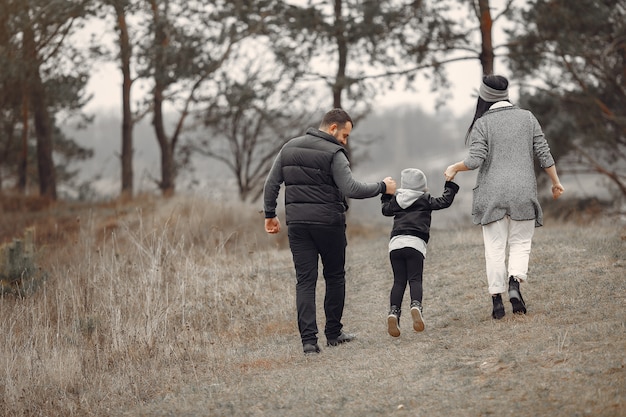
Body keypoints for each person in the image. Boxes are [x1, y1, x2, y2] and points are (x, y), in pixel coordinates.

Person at [263, 108, 397, 354]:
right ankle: (334, 334)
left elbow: (271, 184)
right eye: (344, 135)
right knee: (334, 276)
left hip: (298, 225)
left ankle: (309, 343)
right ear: (333, 128)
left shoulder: (289, 147)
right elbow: (351, 188)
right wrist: (382, 186)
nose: (345, 141)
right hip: (329, 224)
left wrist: (270, 214)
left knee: (305, 280)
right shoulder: (334, 153)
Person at [444, 74, 565, 320]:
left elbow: (475, 160)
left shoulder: (482, 123)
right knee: (521, 243)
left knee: (495, 248)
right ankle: (514, 284)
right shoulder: (527, 118)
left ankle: (497, 302)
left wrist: (455, 167)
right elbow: (544, 153)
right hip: (523, 191)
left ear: (484, 96)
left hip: (492, 194)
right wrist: (556, 182)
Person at [381, 168, 459, 337]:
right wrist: (450, 184)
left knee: (399, 281)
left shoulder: (397, 200)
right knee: (415, 279)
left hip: (395, 245)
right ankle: (416, 305)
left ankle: (394, 312)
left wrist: (387, 193)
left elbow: (385, 209)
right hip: (415, 244)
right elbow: (444, 201)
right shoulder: (425, 199)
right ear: (422, 186)